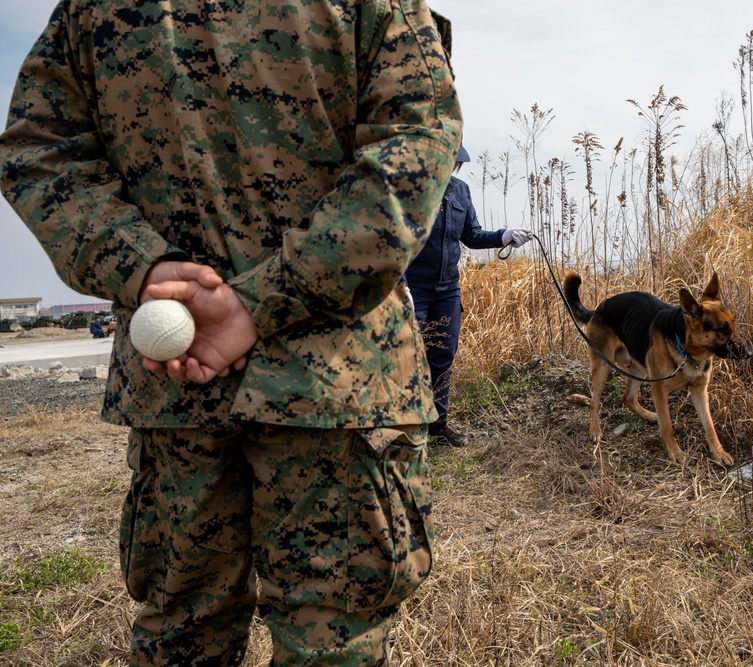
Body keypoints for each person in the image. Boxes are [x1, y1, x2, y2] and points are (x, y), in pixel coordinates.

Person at [0, 0, 461, 665]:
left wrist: (145, 267)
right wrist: (265, 297)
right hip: (334, 384)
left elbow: (40, 152)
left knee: (182, 637)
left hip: (188, 377)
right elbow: (415, 144)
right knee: (330, 643)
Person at [404, 146, 532, 447]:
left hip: (447, 289)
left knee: (442, 356)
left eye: (454, 162)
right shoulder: (410, 190)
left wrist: (504, 236)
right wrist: (402, 286)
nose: (450, 167)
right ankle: (404, 431)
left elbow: (471, 236)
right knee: (409, 357)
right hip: (414, 288)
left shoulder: (460, 191)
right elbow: (396, 241)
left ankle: (437, 428)